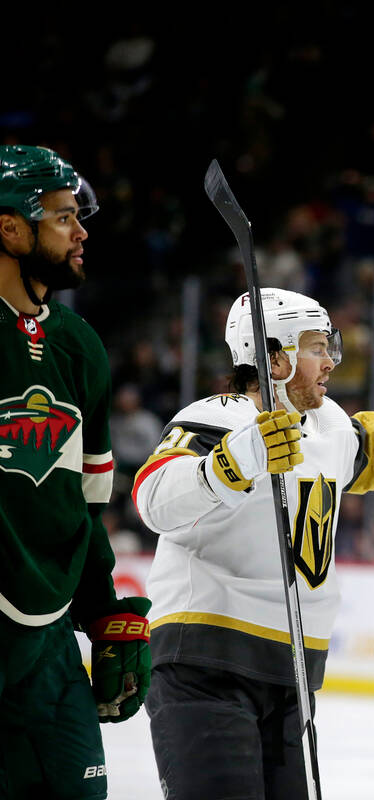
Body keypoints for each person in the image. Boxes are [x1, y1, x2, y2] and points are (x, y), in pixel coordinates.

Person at [131, 288, 374, 800]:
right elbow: (153, 499)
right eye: (317, 348)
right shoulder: (220, 415)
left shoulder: (328, 424)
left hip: (291, 674)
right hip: (207, 666)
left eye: (329, 347)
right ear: (274, 357)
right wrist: (230, 466)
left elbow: (371, 454)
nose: (330, 362)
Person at [0, 144, 151, 798]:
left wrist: (101, 612)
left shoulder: (77, 344)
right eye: (63, 217)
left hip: (51, 646)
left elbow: (86, 504)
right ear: (10, 228)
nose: (82, 231)